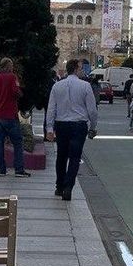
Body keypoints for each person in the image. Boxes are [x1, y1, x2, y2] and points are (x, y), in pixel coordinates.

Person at [46, 59, 100, 201]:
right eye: (81, 68)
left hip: (61, 125)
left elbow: (51, 109)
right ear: (76, 69)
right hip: (78, 125)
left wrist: (49, 128)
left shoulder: (57, 86)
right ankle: (68, 187)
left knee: (61, 156)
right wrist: (93, 127)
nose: (82, 71)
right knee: (75, 157)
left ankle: (59, 186)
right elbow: (92, 110)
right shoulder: (85, 86)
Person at [0, 57, 30, 177]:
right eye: (11, 65)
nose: (13, 68)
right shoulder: (12, 77)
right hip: (10, 115)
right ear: (8, 66)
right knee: (17, 142)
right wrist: (20, 93)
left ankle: (1, 169)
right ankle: (19, 169)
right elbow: (15, 91)